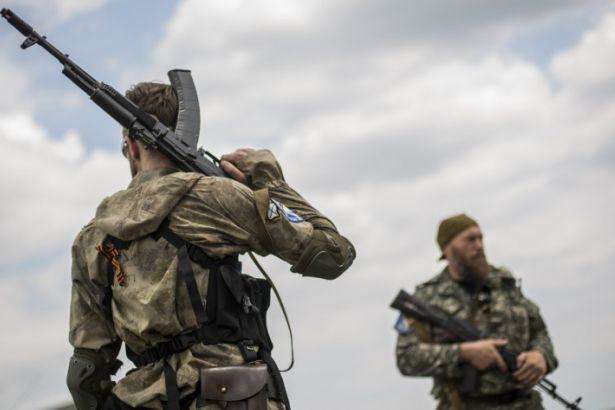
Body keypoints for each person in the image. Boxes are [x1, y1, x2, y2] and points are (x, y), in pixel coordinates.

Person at [66, 82, 356, 410]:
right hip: (229, 395)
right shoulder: (219, 197)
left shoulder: (93, 238)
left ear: (131, 147)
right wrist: (272, 183)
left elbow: (85, 372)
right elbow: (334, 254)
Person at [395, 214, 558, 409]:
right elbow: (407, 358)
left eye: (480, 238)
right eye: (470, 239)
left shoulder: (505, 284)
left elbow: (540, 333)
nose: (479, 245)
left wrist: (540, 356)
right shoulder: (426, 298)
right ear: (447, 249)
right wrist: (463, 353)